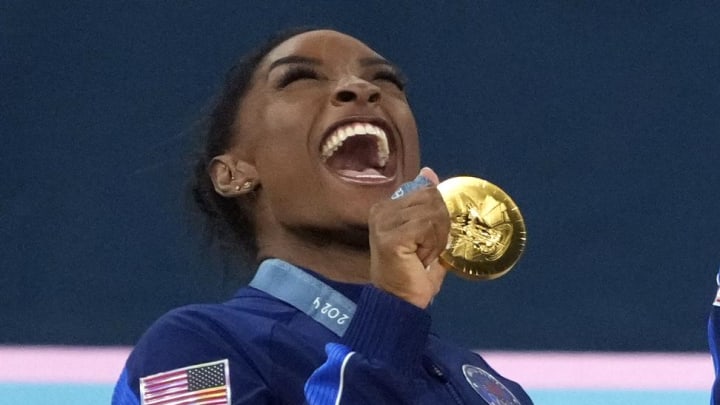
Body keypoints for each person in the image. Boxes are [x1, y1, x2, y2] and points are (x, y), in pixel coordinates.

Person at [112, 27, 534, 405]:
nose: (361, 88)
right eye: (299, 78)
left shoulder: (485, 385)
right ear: (234, 174)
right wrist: (392, 311)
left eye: (384, 81)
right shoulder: (192, 351)